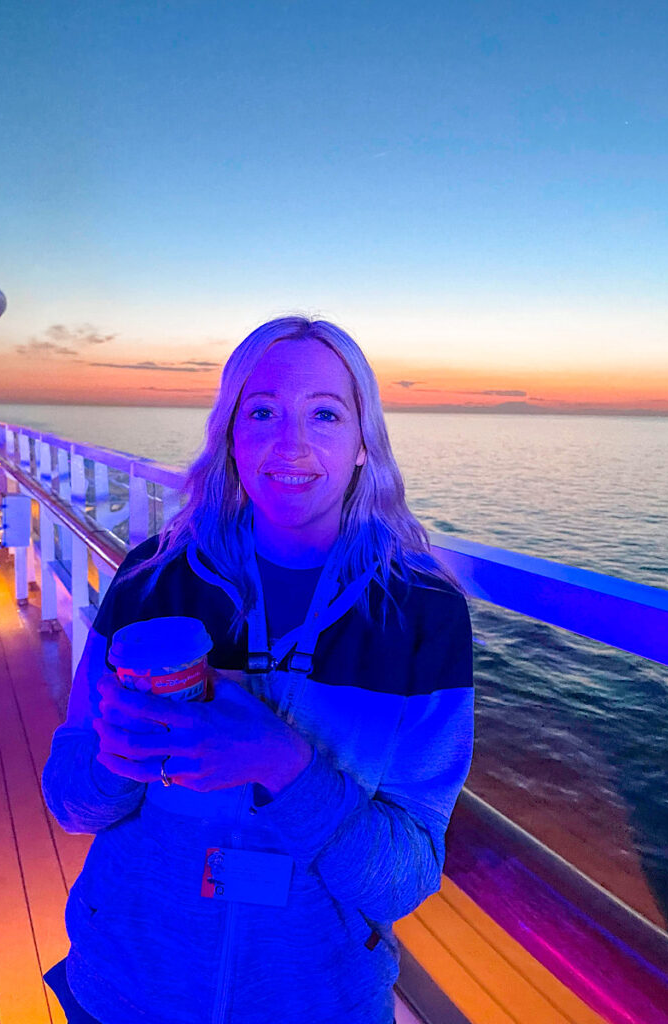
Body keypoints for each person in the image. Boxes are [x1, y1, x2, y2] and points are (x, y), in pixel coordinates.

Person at [41, 316, 474, 1024]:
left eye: (325, 415)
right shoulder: (153, 579)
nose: (291, 444)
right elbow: (71, 801)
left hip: (316, 997)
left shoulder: (423, 615)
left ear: (365, 443)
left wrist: (285, 765)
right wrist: (119, 759)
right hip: (126, 983)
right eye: (263, 412)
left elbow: (403, 878)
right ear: (232, 437)